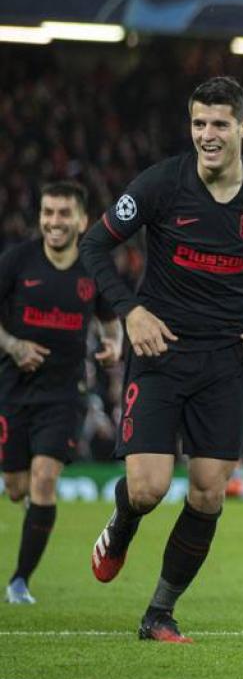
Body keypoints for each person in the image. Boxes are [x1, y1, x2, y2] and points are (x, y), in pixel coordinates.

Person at [79, 76, 243, 642]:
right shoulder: (161, 184)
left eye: (219, 124)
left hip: (227, 358)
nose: (207, 135)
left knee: (209, 491)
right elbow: (94, 244)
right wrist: (129, 312)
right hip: (160, 349)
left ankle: (159, 613)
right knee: (146, 489)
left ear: (242, 126)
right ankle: (122, 526)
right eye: (198, 124)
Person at [0, 181, 122, 604]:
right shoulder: (17, 261)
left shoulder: (94, 268)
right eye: (48, 212)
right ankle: (30, 510)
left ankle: (19, 581)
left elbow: (110, 320)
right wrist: (14, 346)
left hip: (64, 393)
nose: (54, 221)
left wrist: (115, 344)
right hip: (13, 390)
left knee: (45, 479)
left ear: (81, 219)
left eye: (63, 213)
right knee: (16, 487)